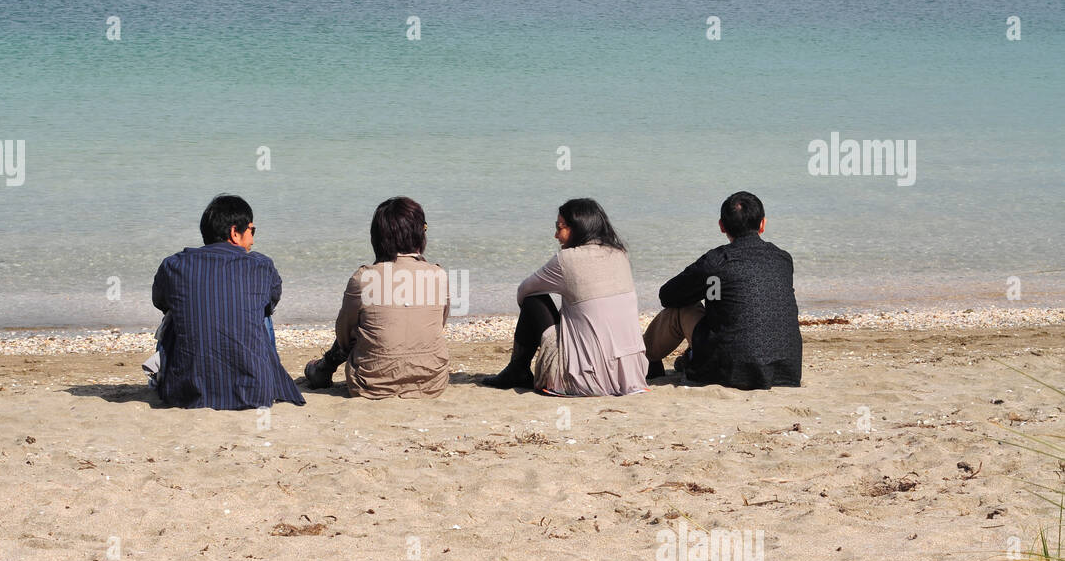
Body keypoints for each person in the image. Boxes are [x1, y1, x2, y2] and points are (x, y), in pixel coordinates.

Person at [147, 194, 305, 410]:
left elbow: (160, 301)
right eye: (252, 231)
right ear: (234, 232)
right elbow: (272, 301)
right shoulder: (261, 266)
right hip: (254, 392)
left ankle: (188, 375)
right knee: (263, 313)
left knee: (177, 311)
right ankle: (260, 374)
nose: (253, 240)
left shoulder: (173, 265)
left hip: (185, 394)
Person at [480, 198, 648, 396]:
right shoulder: (620, 254)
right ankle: (517, 369)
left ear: (578, 228)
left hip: (583, 380)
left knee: (533, 300)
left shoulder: (566, 260)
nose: (555, 235)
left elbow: (524, 291)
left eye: (559, 227)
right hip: (631, 376)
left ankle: (517, 369)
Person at [643, 190, 801, 389]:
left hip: (726, 371)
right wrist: (713, 291)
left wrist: (703, 289)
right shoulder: (783, 260)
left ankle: (644, 358)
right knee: (723, 300)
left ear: (721, 226)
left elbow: (667, 295)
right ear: (762, 224)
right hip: (786, 372)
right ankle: (691, 355)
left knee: (683, 308)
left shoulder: (716, 262)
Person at [304, 197, 450, 398]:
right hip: (432, 382)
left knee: (361, 324)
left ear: (378, 237)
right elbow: (438, 323)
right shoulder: (438, 275)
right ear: (418, 234)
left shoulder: (363, 278)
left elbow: (344, 336)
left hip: (371, 383)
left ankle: (323, 368)